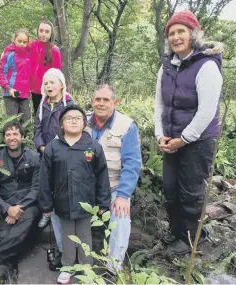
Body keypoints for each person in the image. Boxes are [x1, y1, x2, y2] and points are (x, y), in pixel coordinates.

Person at [154, 10, 223, 255]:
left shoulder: (206, 66)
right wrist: (159, 134)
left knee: (191, 192)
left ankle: (191, 239)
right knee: (171, 189)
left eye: (181, 31)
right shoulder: (166, 67)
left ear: (193, 34)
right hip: (171, 139)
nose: (175, 37)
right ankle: (176, 232)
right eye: (171, 33)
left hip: (198, 141)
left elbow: (206, 112)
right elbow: (159, 105)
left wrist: (182, 140)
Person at [39, 104, 111, 284]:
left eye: (77, 118)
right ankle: (68, 266)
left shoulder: (94, 147)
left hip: (87, 201)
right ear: (61, 124)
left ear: (84, 123)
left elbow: (102, 177)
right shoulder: (52, 147)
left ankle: (87, 266)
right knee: (67, 234)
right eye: (68, 118)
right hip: (62, 200)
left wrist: (103, 203)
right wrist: (46, 205)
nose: (73, 120)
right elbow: (45, 178)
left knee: (85, 234)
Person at [85, 84, 142, 274]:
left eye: (106, 100)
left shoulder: (126, 126)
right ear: (92, 101)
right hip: (84, 187)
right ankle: (68, 257)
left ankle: (113, 268)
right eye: (97, 99)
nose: (100, 104)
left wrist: (123, 195)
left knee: (121, 215)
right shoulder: (80, 121)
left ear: (115, 102)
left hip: (113, 187)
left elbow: (132, 163)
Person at [0, 121, 41, 280]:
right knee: (4, 234)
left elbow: (36, 188)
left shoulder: (34, 158)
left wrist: (19, 207)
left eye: (15, 134)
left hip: (27, 205)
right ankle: (9, 275)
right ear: (4, 138)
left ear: (23, 137)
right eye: (8, 134)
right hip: (4, 205)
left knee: (26, 221)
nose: (12, 137)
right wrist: (7, 209)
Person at [34, 67, 73, 270]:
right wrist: (41, 147)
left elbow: (72, 128)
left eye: (52, 82)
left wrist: (56, 147)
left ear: (61, 84)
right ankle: (46, 212)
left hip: (62, 153)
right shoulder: (42, 105)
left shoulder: (68, 104)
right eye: (46, 83)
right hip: (44, 153)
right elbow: (37, 129)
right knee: (45, 183)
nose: (49, 86)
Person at [0, 28, 31, 122]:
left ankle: (25, 137)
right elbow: (0, 72)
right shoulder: (9, 55)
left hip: (24, 95)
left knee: (26, 121)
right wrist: (8, 88)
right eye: (19, 41)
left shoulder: (29, 54)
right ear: (14, 40)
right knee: (12, 122)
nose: (22, 44)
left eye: (25, 42)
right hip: (10, 93)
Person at [29, 20, 62, 115]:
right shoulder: (32, 46)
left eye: (47, 32)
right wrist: (6, 52)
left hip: (48, 90)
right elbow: (18, 47)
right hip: (34, 90)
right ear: (37, 31)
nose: (43, 34)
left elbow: (57, 73)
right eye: (41, 31)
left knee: (48, 115)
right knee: (37, 115)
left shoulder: (54, 50)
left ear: (51, 34)